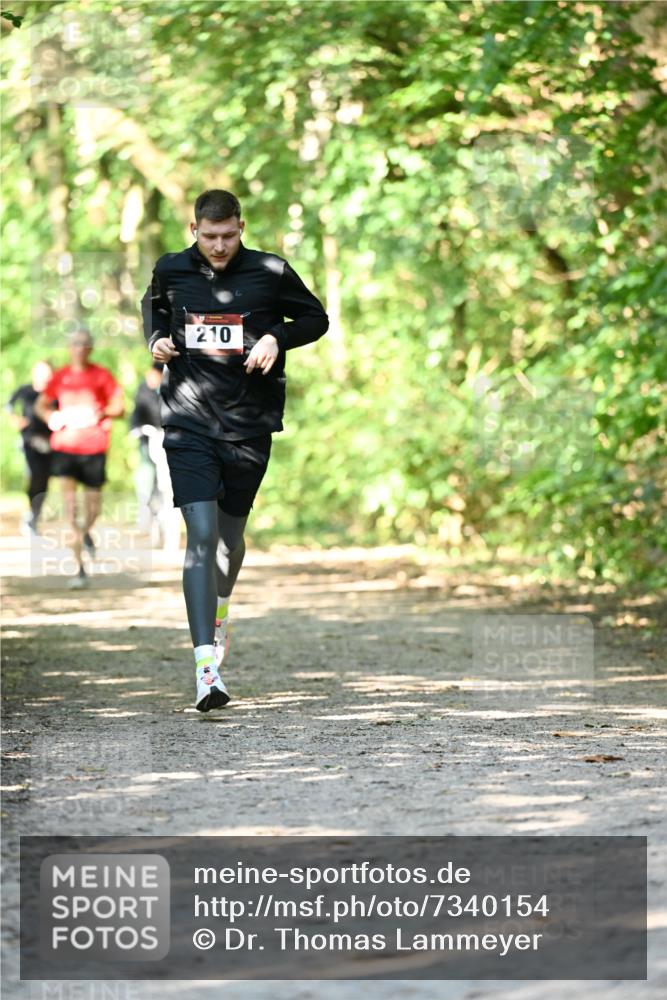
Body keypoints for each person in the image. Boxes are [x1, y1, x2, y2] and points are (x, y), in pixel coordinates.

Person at [141, 189, 328, 712]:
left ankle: (220, 609)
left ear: (241, 228)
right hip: (187, 422)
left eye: (228, 236)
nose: (219, 246)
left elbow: (316, 319)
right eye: (209, 236)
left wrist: (276, 338)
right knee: (200, 537)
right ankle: (206, 669)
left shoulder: (270, 271)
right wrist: (156, 340)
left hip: (248, 424)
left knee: (229, 540)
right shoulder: (171, 269)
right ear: (194, 229)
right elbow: (154, 308)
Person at [34, 328, 125, 588]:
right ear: (69, 347)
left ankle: (85, 534)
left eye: (84, 344)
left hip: (94, 449)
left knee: (93, 510)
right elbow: (40, 405)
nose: (79, 348)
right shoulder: (60, 376)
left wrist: (102, 413)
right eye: (75, 343)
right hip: (65, 448)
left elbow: (120, 407)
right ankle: (79, 569)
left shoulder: (102, 375)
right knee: (70, 509)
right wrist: (51, 417)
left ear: (91, 348)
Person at [7, 360, 54, 535]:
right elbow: (8, 405)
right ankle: (30, 516)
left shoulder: (53, 393)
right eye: (41, 372)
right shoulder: (25, 390)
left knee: (43, 481)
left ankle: (34, 514)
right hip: (29, 441)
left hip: (50, 443)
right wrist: (15, 419)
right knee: (35, 477)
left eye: (47, 372)